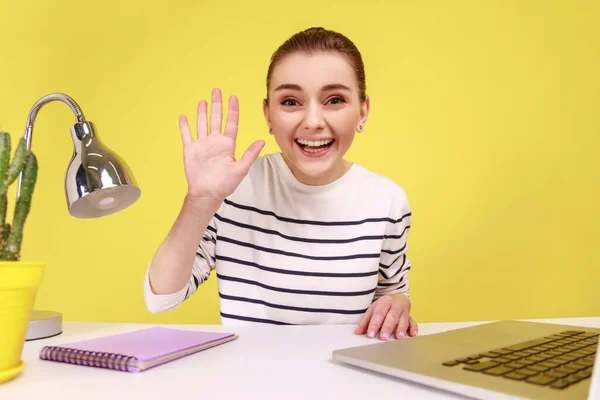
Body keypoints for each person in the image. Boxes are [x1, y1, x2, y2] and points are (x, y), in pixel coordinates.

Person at [144, 27, 418, 341]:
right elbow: (161, 297)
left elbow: (393, 291)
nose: (313, 121)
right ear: (269, 115)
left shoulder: (387, 201)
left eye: (335, 100)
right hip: (251, 383)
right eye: (290, 101)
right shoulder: (231, 190)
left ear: (363, 111)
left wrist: (397, 304)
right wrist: (200, 200)